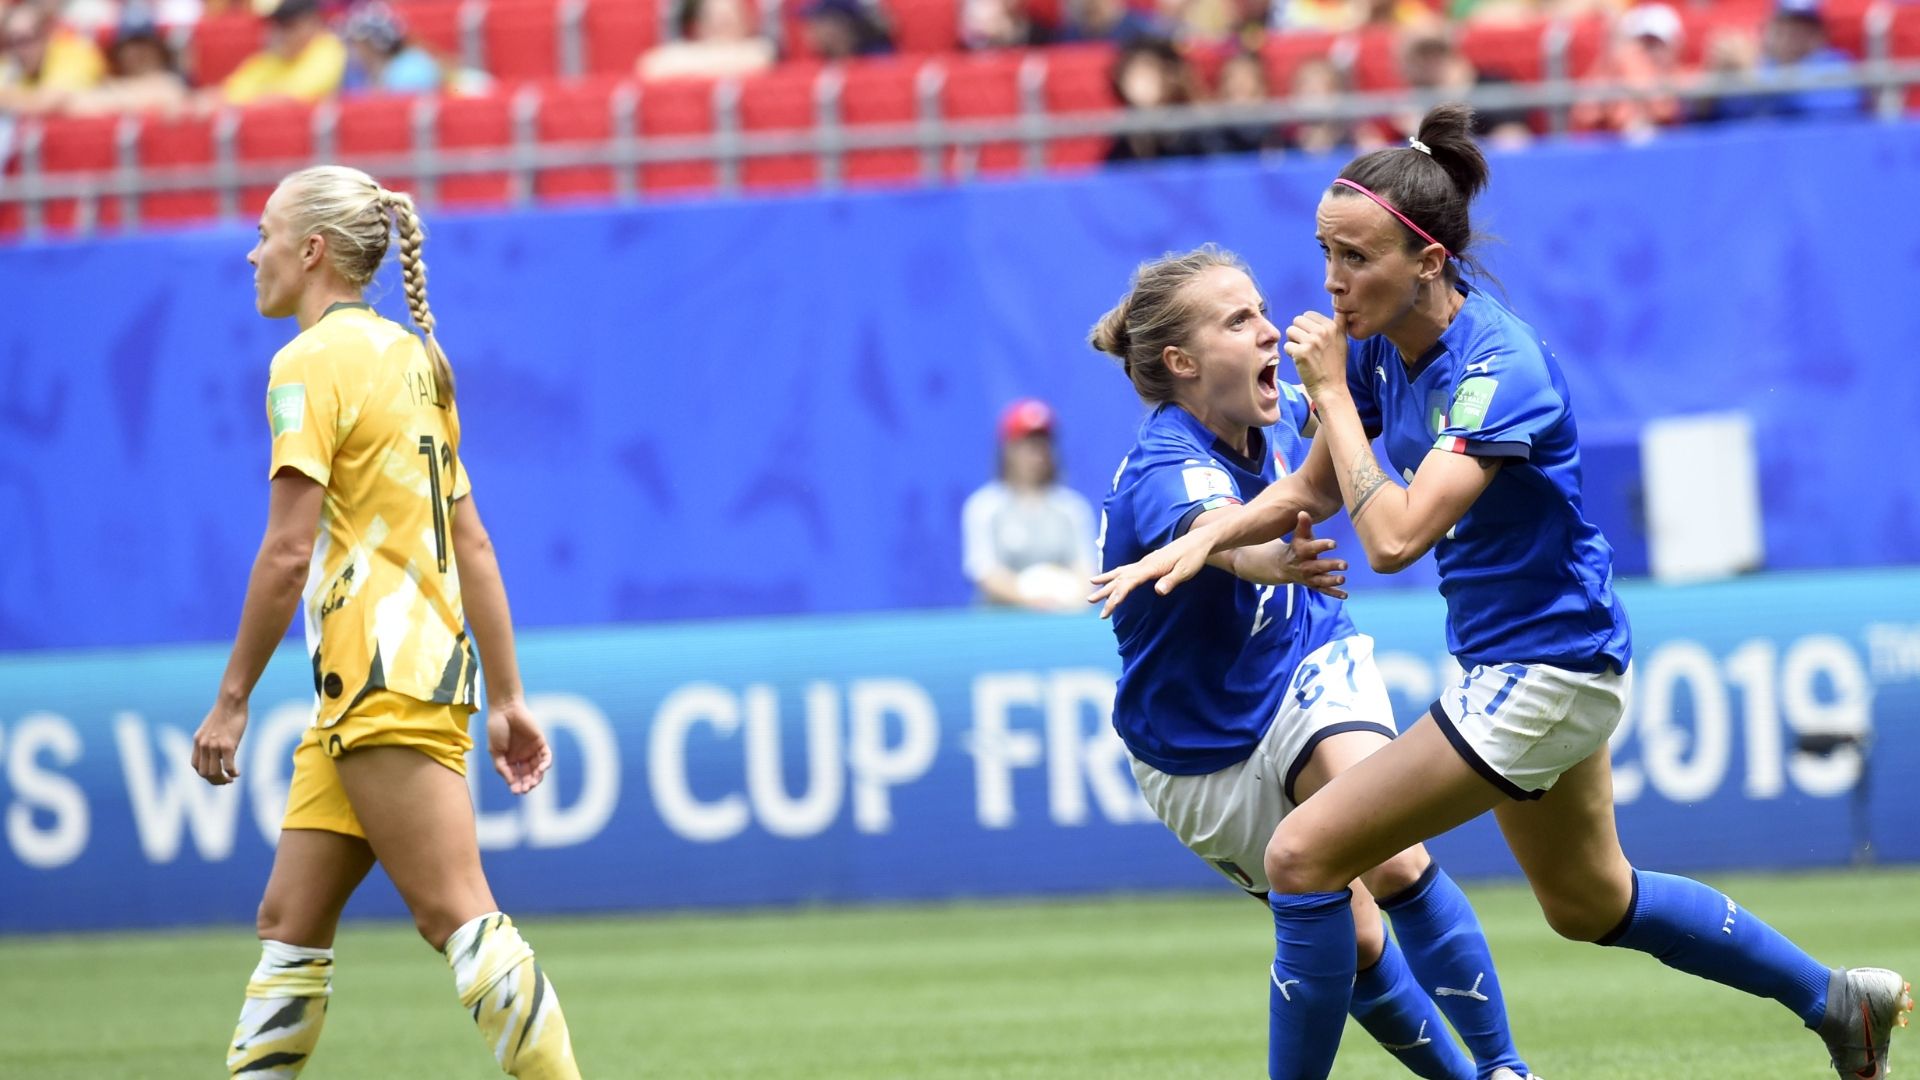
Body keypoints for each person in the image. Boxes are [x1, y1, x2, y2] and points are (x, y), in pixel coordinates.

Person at [1090, 103, 1913, 1080]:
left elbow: (1391, 538)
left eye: (1355, 259)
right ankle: (1836, 1001)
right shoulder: (1376, 346)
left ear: (1428, 262)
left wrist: (1337, 403)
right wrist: (1195, 544)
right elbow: (1309, 489)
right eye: (1325, 253)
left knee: (1304, 859)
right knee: (1590, 903)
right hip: (1516, 665)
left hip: (1548, 670)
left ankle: (1497, 1070)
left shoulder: (1499, 367)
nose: (1328, 283)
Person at [1089, 244, 1533, 1080]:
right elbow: (1219, 540)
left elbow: (1343, 416)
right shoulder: (1162, 467)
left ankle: (1507, 1068)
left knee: (1396, 853)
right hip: (1197, 754)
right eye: (1239, 321)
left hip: (1305, 661)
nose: (1267, 331)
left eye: (1261, 309)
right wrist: (1273, 560)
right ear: (1182, 364)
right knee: (1357, 933)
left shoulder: (1279, 407)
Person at [192, 164, 581, 1080]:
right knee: (289, 923)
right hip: (401, 673)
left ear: (313, 250)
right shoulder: (415, 360)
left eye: (267, 233)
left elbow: (288, 553)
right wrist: (510, 694)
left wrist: (232, 697)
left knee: (455, 912)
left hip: (377, 673)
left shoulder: (305, 364)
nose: (255, 253)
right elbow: (472, 542)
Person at [962, 398, 1099, 611]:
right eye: (1028, 444)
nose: (1037, 454)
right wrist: (1031, 599)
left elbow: (1085, 571)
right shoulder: (985, 507)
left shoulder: (1071, 508)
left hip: (1058, 624)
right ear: (1008, 450)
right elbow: (984, 572)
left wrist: (1067, 601)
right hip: (999, 624)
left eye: (1043, 444)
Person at [221, 0, 347, 107]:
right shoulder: (273, 58)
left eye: (289, 26)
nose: (280, 34)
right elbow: (230, 93)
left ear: (312, 23)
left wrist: (243, 102)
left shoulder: (328, 48)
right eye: (276, 26)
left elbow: (294, 97)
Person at [639, 0, 776, 82]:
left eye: (728, 18)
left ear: (747, 22)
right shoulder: (678, 53)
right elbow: (650, 66)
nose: (721, 23)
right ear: (699, 25)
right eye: (714, 17)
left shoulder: (759, 51)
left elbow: (760, 60)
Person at [341, 1, 445, 94]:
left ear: (374, 45)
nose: (355, 51)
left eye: (359, 44)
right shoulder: (365, 73)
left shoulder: (411, 69)